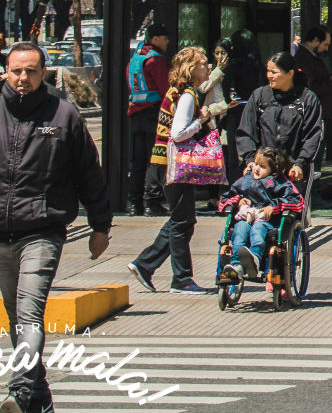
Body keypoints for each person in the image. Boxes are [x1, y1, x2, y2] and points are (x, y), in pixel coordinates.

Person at [0, 42, 112, 413]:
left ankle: (19, 390)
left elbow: (90, 174)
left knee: (29, 313)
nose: (23, 78)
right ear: (6, 71)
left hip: (43, 230)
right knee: (16, 317)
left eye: (31, 71)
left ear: (44, 73)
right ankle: (40, 398)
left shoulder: (64, 117)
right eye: (17, 70)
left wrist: (100, 225)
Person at [127, 46, 222, 295]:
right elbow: (178, 133)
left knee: (182, 220)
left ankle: (145, 265)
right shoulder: (187, 95)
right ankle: (180, 279)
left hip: (164, 163)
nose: (207, 66)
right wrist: (201, 120)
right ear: (191, 68)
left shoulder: (178, 90)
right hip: (174, 165)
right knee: (182, 221)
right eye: (203, 63)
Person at [235, 51, 326, 200]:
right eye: (268, 71)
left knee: (288, 215)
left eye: (274, 72)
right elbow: (246, 131)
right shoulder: (259, 96)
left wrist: (300, 164)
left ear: (290, 73)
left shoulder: (307, 99)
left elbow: (312, 136)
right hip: (261, 169)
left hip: (292, 170)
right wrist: (250, 160)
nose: (269, 76)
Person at [219, 147, 304, 290]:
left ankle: (255, 260)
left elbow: (297, 202)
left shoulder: (280, 183)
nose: (257, 169)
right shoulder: (245, 180)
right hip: (246, 219)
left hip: (267, 222)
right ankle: (236, 266)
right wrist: (238, 200)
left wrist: (274, 207)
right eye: (256, 164)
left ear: (274, 170)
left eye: (262, 166)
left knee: (257, 230)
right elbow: (225, 198)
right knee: (240, 230)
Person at [125, 25, 171, 215]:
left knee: (138, 161)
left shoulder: (134, 60)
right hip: (154, 114)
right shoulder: (156, 61)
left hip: (136, 115)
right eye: (165, 38)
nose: (167, 42)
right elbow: (166, 90)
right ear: (155, 39)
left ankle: (135, 202)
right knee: (156, 158)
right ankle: (152, 201)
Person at [291, 25, 332, 165]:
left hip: (321, 111)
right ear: (315, 40)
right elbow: (309, 88)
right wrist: (331, 83)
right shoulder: (304, 58)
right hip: (315, 113)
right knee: (314, 156)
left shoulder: (313, 57)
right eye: (325, 44)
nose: (326, 49)